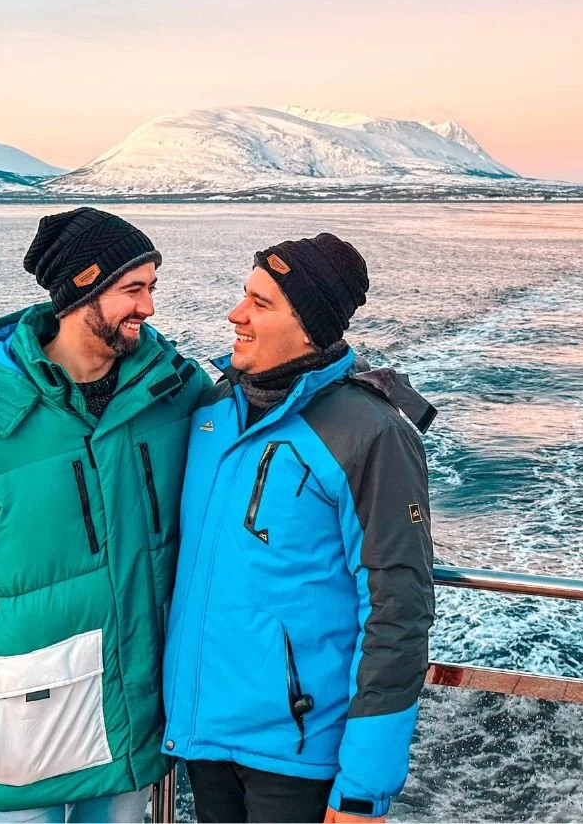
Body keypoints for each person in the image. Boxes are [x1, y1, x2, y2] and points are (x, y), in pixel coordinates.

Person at [0, 207, 210, 822]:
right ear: (80, 293)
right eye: (131, 290)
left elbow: (261, 429)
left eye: (151, 288)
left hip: (132, 711)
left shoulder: (177, 395)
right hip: (22, 721)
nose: (149, 308)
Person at [164, 233, 437, 823]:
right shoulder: (211, 412)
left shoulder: (371, 434)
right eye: (244, 296)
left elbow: (398, 608)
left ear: (310, 326)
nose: (236, 315)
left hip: (297, 754)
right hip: (201, 738)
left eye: (261, 304)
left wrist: (365, 782)